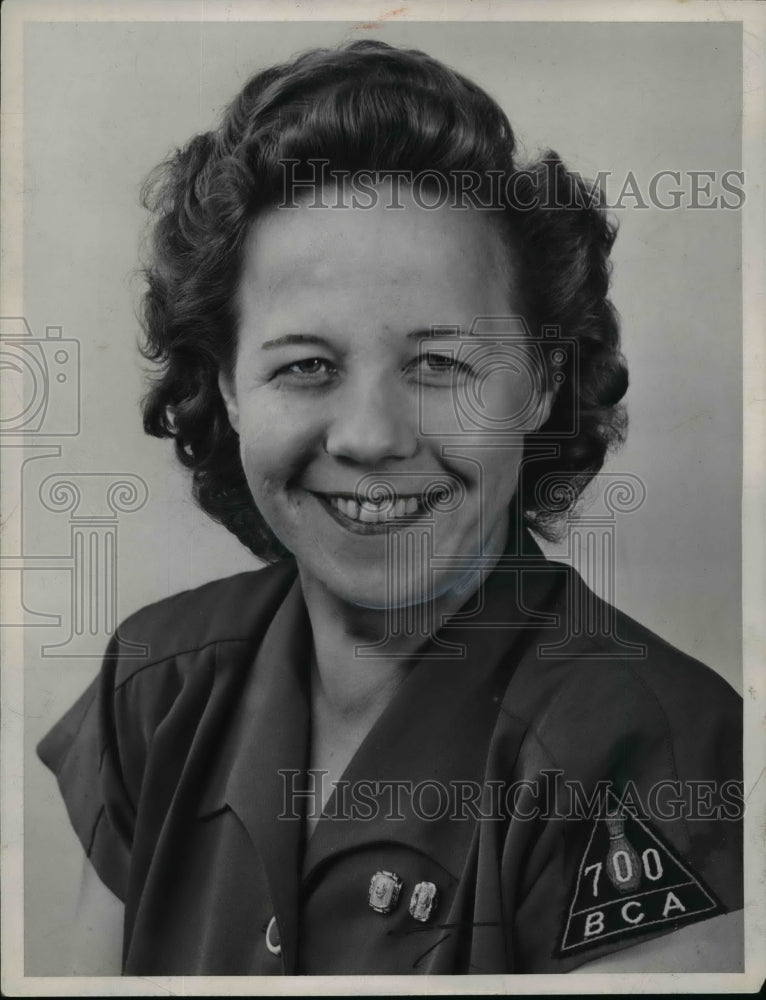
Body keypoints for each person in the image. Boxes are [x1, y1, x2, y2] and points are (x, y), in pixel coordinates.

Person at [37, 39, 743, 976]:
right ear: (229, 389)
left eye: (441, 364)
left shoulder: (652, 744)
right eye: (304, 366)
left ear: (540, 383)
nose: (369, 437)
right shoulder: (156, 689)